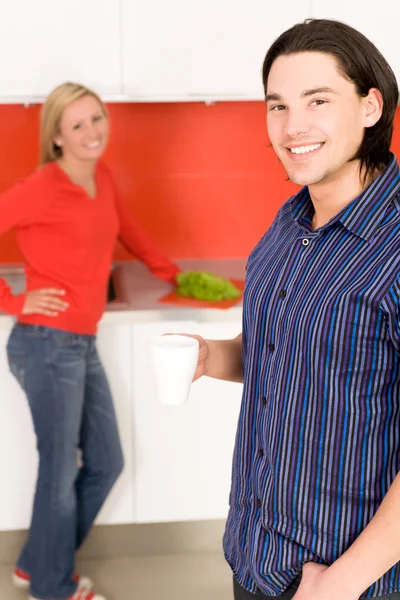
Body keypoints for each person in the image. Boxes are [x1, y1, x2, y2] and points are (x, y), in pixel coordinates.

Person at [189, 18, 400, 600]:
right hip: (255, 559)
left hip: (345, 583)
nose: (292, 126)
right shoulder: (288, 224)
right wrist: (212, 356)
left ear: (370, 106)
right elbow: (286, 353)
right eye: (277, 106)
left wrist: (339, 585)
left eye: (318, 100)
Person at [3, 82, 180, 600]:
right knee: (59, 473)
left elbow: (128, 229)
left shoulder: (100, 177)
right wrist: (14, 301)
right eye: (77, 125)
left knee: (107, 462)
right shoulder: (42, 186)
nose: (92, 132)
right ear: (56, 137)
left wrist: (177, 275)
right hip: (45, 343)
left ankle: (37, 564)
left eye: (96, 119)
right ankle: (54, 587)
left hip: (78, 342)